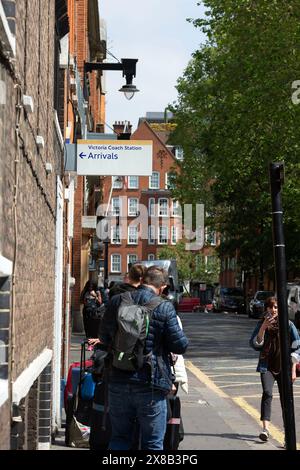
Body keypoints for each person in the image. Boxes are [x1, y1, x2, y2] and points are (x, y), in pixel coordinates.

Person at [97, 265, 188, 450]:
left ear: (142, 280)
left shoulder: (117, 301)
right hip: (151, 384)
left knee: (119, 438)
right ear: (162, 287)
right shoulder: (164, 307)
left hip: (118, 379)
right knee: (152, 443)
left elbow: (104, 337)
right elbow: (180, 345)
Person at [250, 296, 300, 442]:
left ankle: (287, 434)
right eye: (271, 307)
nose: (273, 310)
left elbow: (297, 346)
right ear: (266, 308)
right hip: (267, 366)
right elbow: (255, 344)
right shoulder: (261, 323)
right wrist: (263, 328)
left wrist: (292, 369)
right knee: (267, 393)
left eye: (276, 307)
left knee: (286, 399)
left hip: (284, 367)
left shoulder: (288, 325)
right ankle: (265, 429)